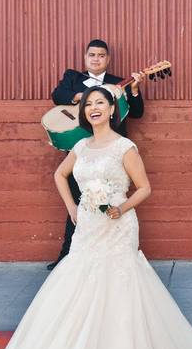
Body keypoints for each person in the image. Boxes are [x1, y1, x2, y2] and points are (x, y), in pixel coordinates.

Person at [0, 87, 192, 349]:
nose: (94, 108)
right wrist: (72, 208)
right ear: (84, 112)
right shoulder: (81, 146)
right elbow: (60, 175)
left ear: (113, 109)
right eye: (89, 104)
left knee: (117, 283)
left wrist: (120, 208)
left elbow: (144, 188)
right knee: (78, 282)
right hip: (87, 225)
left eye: (101, 102)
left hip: (117, 224)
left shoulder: (124, 147)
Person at [46, 39, 144, 270]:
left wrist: (135, 90)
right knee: (79, 202)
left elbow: (137, 112)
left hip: (112, 151)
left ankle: (116, 256)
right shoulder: (73, 78)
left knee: (110, 199)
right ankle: (67, 255)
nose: (96, 59)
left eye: (101, 55)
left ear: (108, 59)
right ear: (85, 57)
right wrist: (82, 96)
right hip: (83, 148)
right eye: (92, 55)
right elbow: (58, 95)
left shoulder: (119, 83)